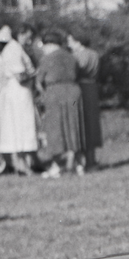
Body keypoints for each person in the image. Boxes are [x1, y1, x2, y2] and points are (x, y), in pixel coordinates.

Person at [0, 24, 39, 174]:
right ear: (21, 34)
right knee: (20, 126)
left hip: (15, 91)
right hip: (18, 91)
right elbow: (20, 76)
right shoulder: (14, 49)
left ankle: (25, 162)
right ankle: (21, 163)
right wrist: (35, 74)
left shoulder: (13, 49)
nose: (29, 41)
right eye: (28, 37)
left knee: (19, 126)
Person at [35, 29, 85, 177]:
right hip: (73, 91)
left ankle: (58, 165)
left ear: (49, 44)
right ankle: (77, 164)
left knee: (55, 129)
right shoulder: (72, 57)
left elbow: (39, 82)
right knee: (73, 126)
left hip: (54, 92)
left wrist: (42, 95)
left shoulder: (46, 59)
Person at [67, 32, 103, 168]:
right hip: (92, 88)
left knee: (83, 123)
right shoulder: (94, 54)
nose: (69, 44)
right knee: (92, 123)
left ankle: (83, 161)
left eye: (71, 41)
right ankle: (91, 159)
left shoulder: (78, 56)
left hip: (82, 88)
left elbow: (76, 71)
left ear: (78, 42)